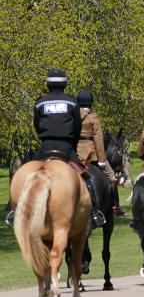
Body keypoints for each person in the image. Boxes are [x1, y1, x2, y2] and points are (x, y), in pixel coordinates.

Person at [27, 69, 106, 228]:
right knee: (85, 177)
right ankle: (95, 211)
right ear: (64, 84)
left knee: (27, 175)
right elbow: (76, 126)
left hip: (46, 146)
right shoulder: (71, 102)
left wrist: (45, 138)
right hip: (66, 147)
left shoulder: (40, 102)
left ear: (48, 84)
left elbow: (36, 124)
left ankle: (18, 212)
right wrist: (72, 144)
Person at [76, 90, 123, 216]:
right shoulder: (93, 117)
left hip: (74, 155)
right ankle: (115, 207)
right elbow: (98, 139)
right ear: (91, 103)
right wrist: (102, 159)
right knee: (112, 177)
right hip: (91, 155)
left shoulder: (72, 116)